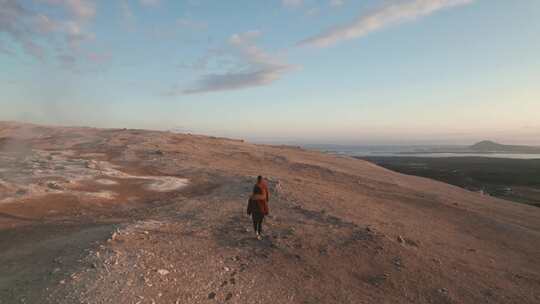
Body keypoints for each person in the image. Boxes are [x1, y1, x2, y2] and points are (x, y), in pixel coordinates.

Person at [247, 176, 269, 240]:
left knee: (255, 222)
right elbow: (265, 204)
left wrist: (248, 211)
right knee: (260, 223)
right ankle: (258, 234)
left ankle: (256, 233)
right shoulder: (262, 197)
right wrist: (266, 211)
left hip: (254, 211)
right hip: (261, 211)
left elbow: (249, 205)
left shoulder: (252, 197)